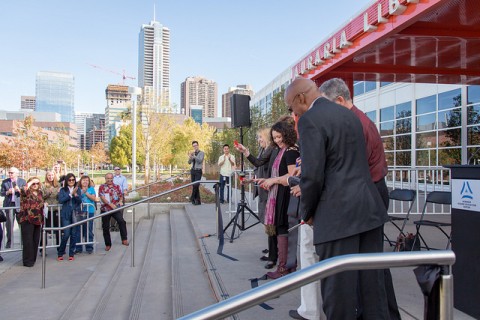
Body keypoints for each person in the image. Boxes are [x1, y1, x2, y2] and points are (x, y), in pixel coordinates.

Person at [286, 77, 389, 319]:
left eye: (291, 108)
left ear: (300, 99)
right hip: (369, 211)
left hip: (337, 218)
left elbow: (312, 176)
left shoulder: (310, 120)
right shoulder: (351, 114)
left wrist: (307, 213)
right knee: (372, 290)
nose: (293, 113)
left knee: (338, 294)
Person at [319, 77, 401, 320]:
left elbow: (350, 168)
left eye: (327, 107)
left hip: (370, 194)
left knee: (369, 265)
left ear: (340, 100)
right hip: (370, 193)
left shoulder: (355, 123)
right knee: (372, 264)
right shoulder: (355, 120)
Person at [256, 120, 299, 279]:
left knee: (283, 229)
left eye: (279, 136)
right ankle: (285, 267)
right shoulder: (284, 150)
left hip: (287, 196)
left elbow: (292, 177)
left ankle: (283, 269)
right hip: (281, 194)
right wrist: (266, 181)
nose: (277, 140)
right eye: (274, 138)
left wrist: (273, 181)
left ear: (286, 134)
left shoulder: (291, 151)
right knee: (281, 229)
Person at [236, 128, 276, 268]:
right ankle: (272, 249)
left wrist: (246, 152)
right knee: (267, 221)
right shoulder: (264, 150)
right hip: (263, 189)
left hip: (269, 190)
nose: (258, 140)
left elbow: (258, 163)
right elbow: (257, 167)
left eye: (260, 137)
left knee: (270, 222)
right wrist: (250, 180)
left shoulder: (270, 149)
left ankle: (273, 254)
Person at [18, 177, 45, 267]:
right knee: (28, 240)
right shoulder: (26, 192)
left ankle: (32, 259)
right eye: (33, 183)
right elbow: (22, 190)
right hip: (27, 218)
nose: (35, 185)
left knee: (35, 240)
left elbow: (41, 202)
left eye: (37, 183)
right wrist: (31, 182)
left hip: (38, 219)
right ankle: (27, 261)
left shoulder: (40, 193)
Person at [98, 173, 128, 251]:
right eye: (107, 178)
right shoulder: (102, 187)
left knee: (121, 221)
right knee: (105, 227)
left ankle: (124, 239)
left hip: (115, 209)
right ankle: (108, 244)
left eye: (110, 178)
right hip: (105, 209)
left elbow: (120, 196)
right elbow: (102, 197)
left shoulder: (117, 187)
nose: (109, 180)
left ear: (113, 179)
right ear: (105, 179)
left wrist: (120, 201)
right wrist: (110, 204)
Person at [1, 167, 27, 250]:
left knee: (22, 224)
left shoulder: (22, 181)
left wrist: (19, 190)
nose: (10, 174)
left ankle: (23, 242)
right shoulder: (5, 182)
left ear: (16, 173)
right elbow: (1, 193)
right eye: (9, 172)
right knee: (9, 225)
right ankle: (9, 242)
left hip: (19, 205)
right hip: (9, 205)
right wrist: (7, 192)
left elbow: (26, 193)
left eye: (12, 173)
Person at [57, 173, 81, 261]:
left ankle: (71, 253)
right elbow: (61, 200)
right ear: (66, 181)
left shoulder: (77, 189)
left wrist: (75, 195)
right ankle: (60, 252)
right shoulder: (63, 190)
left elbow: (79, 201)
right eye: (69, 180)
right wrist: (70, 194)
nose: (71, 181)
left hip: (75, 213)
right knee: (66, 234)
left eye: (73, 180)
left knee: (74, 234)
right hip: (66, 213)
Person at [76, 175, 96, 254]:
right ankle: (78, 247)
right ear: (80, 181)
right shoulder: (78, 189)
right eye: (83, 180)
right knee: (79, 230)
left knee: (88, 229)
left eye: (87, 180)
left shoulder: (91, 189)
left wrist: (86, 193)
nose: (85, 182)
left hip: (89, 211)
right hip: (80, 211)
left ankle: (89, 247)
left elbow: (94, 198)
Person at [42, 170, 61, 248]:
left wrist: (60, 193)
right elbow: (42, 197)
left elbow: (60, 197)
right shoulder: (43, 185)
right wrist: (48, 193)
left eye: (52, 175)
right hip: (47, 209)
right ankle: (43, 247)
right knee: (45, 229)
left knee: (58, 228)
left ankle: (59, 246)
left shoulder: (58, 185)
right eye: (49, 175)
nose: (51, 177)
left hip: (56, 208)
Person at [188, 141, 204, 205]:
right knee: (194, 186)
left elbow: (200, 161)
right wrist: (190, 157)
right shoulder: (193, 153)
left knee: (196, 185)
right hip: (193, 170)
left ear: (198, 145)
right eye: (193, 146)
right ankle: (197, 201)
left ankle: (192, 197)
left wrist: (194, 156)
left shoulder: (202, 153)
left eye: (196, 145)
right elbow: (189, 162)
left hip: (198, 171)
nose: (195, 147)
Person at [112, 166, 128, 231]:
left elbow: (125, 187)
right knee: (112, 211)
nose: (117, 171)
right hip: (113, 197)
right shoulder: (112, 178)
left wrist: (125, 191)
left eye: (118, 169)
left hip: (120, 196)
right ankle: (112, 226)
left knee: (120, 212)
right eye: (115, 170)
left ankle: (119, 226)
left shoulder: (123, 178)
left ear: (120, 170)